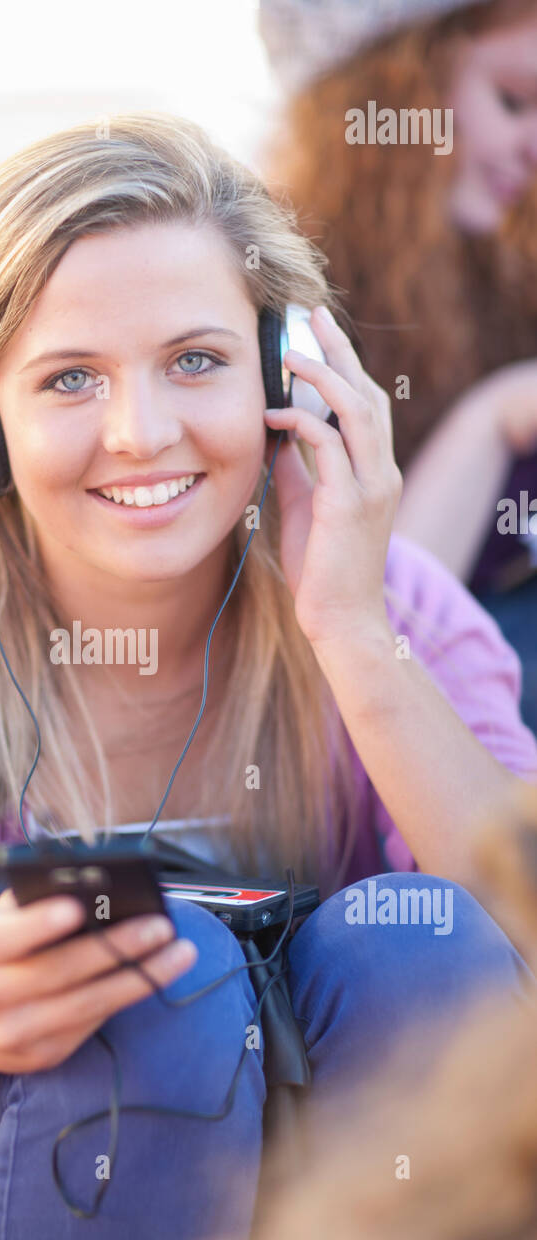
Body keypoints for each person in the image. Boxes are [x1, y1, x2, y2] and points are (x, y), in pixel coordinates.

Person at [0, 114, 537, 1240]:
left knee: (428, 941)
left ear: (286, 370)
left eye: (195, 360)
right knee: (159, 978)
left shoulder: (388, 608)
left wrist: (352, 634)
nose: (139, 433)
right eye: (69, 378)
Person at [259, 0, 537, 728]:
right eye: (511, 101)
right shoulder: (285, 314)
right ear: (391, 99)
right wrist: (494, 417)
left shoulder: (501, 275)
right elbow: (373, 630)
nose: (532, 141)